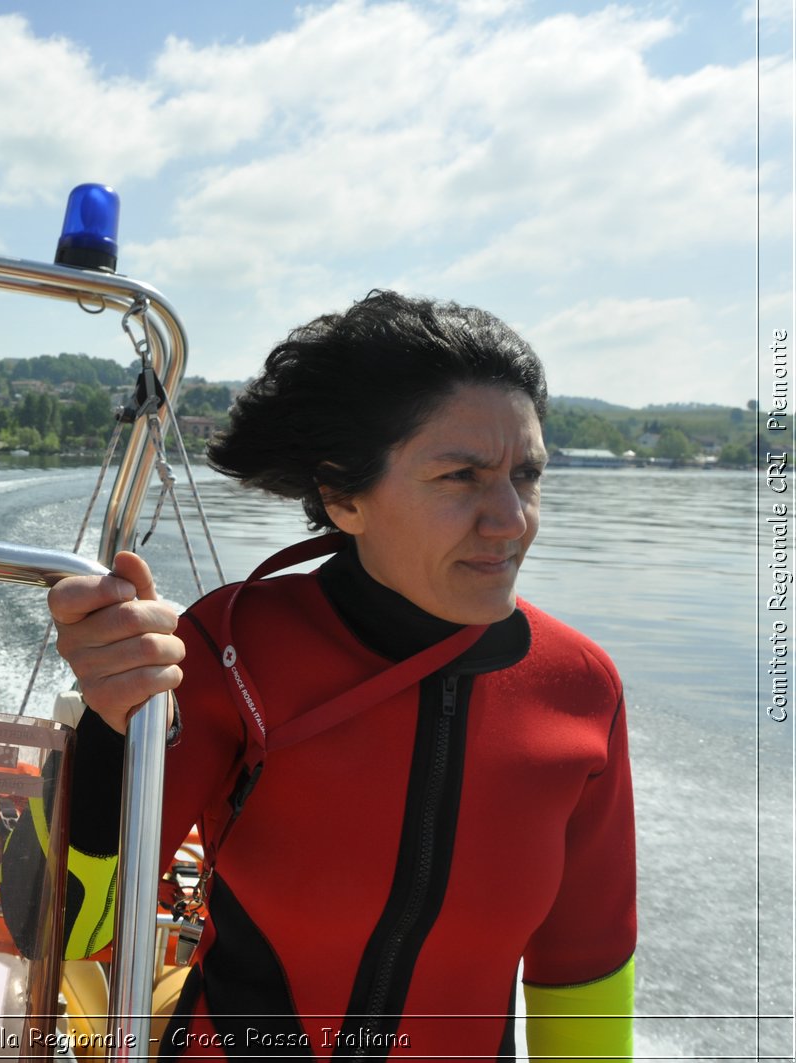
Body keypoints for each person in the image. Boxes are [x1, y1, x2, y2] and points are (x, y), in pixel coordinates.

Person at [37, 290, 634, 1059]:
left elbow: (584, 978)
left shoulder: (581, 689)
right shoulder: (229, 648)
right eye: (461, 476)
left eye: (528, 474)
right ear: (342, 497)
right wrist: (109, 725)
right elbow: (69, 928)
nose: (511, 517)